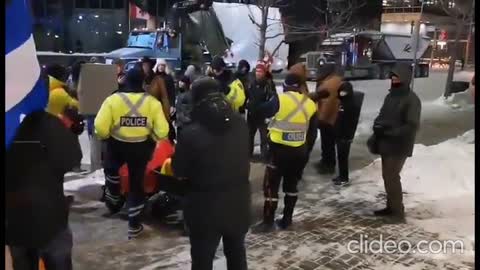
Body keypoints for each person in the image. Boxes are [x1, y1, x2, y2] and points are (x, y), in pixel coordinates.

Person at [172, 77, 251, 270]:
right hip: (238, 203)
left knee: (202, 260)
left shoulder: (190, 133)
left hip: (204, 208)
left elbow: (179, 170)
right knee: (237, 253)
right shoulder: (241, 124)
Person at [95, 67, 170, 239]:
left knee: (111, 169)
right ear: (144, 82)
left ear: (125, 80)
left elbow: (100, 127)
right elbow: (162, 131)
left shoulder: (112, 100)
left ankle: (113, 192)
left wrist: (108, 136)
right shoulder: (152, 103)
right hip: (141, 149)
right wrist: (151, 136)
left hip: (116, 146)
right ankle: (134, 226)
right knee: (137, 185)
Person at [7, 110, 82, 270]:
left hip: (15, 218)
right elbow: (72, 159)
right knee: (58, 260)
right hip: (50, 216)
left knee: (23, 262)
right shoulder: (47, 122)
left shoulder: (9, 122)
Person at [252, 73, 317, 233]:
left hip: (278, 152)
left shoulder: (280, 99)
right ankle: (287, 219)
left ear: (286, 85)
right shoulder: (310, 104)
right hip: (299, 152)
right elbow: (312, 133)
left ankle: (268, 222)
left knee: (271, 187)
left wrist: (257, 98)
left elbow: (260, 112)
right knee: (291, 186)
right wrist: (306, 152)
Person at [368, 63, 421, 223]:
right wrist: (377, 126)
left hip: (399, 145)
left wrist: (390, 132)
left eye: (396, 76)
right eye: (392, 76)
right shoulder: (391, 96)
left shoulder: (411, 100)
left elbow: (411, 125)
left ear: (404, 79)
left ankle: (398, 212)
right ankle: (391, 207)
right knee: (387, 176)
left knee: (391, 176)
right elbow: (382, 114)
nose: (393, 79)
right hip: (386, 142)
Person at [331, 82, 364, 186]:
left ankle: (344, 178)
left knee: (343, 157)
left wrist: (347, 135)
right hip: (339, 134)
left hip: (345, 136)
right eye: (341, 90)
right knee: (340, 157)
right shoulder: (342, 102)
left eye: (344, 91)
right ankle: (341, 175)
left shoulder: (350, 104)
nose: (342, 93)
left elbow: (350, 122)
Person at [314, 63, 343, 174]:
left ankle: (328, 165)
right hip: (332, 118)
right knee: (327, 143)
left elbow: (327, 103)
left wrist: (321, 119)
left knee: (328, 143)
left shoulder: (329, 84)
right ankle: (325, 161)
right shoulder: (335, 80)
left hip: (328, 119)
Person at [245, 61, 276, 161]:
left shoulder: (269, 84)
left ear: (264, 72)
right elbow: (246, 96)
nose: (258, 73)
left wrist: (269, 113)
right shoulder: (251, 83)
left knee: (264, 138)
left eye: (260, 71)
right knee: (249, 136)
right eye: (257, 71)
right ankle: (248, 156)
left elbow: (273, 99)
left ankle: (264, 157)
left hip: (263, 116)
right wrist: (247, 106)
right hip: (252, 114)